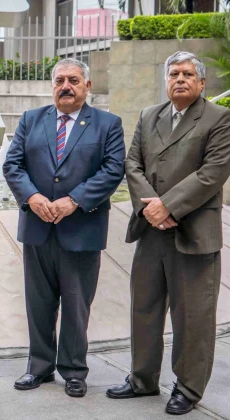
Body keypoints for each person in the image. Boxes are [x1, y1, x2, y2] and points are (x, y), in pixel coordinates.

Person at [106, 51, 230, 415]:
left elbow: (213, 172)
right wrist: (151, 208)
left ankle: (188, 389)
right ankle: (142, 380)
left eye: (188, 74)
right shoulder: (148, 115)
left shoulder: (219, 119)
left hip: (193, 232)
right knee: (144, 309)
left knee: (192, 316)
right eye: (174, 73)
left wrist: (168, 206)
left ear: (202, 83)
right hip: (151, 231)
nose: (180, 79)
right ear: (165, 81)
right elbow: (133, 164)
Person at [3, 58, 125, 398]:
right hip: (38, 228)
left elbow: (113, 170)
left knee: (76, 305)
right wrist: (33, 197)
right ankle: (39, 368)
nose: (65, 86)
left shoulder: (107, 124)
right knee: (38, 303)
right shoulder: (31, 120)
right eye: (59, 80)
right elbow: (12, 165)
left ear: (87, 86)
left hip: (81, 230)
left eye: (73, 80)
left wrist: (73, 200)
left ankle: (73, 370)